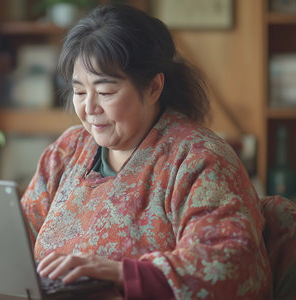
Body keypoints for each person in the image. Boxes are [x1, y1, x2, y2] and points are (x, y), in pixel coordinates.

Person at [21, 3, 273, 299]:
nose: (89, 108)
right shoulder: (66, 151)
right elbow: (18, 236)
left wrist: (120, 273)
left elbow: (229, 263)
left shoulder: (198, 159)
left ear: (153, 88)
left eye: (105, 92)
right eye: (79, 92)